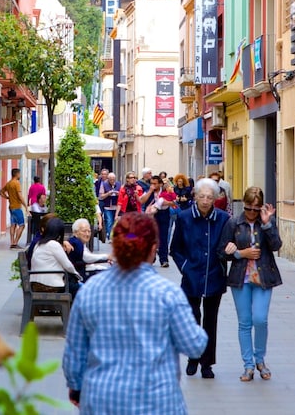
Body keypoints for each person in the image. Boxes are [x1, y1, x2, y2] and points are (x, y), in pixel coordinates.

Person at [63, 212, 208, 414]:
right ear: (152, 248)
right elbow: (195, 346)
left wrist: (77, 387)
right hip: (158, 403)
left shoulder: (90, 291)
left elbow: (74, 353)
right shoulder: (167, 294)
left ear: (116, 246)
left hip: (102, 401)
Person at [219, 187, 283, 382]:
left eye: (256, 209)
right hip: (241, 278)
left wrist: (266, 225)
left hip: (264, 278)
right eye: (249, 209)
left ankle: (260, 360)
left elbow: (276, 246)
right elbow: (221, 252)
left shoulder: (266, 222)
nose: (252, 213)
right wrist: (239, 253)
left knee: (260, 319)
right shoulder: (233, 223)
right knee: (245, 323)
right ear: (244, 205)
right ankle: (248, 365)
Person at [170, 177, 230, 379]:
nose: (205, 200)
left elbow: (228, 246)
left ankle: (207, 364)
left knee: (210, 322)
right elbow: (175, 249)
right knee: (193, 319)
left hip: (214, 275)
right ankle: (192, 358)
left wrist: (229, 253)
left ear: (215, 199)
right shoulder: (184, 218)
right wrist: (185, 267)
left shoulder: (223, 218)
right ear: (195, 196)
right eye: (202, 196)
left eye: (209, 197)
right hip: (192, 276)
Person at [30, 217, 83, 299]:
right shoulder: (53, 244)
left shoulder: (39, 244)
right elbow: (68, 265)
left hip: (36, 284)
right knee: (80, 288)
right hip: (49, 286)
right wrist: (78, 276)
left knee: (73, 283)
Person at [0, 167, 26, 249]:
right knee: (22, 225)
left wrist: (7, 197)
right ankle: (15, 242)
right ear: (16, 174)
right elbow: (20, 196)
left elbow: (0, 192)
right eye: (19, 173)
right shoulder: (16, 183)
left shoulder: (9, 183)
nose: (20, 175)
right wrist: (25, 206)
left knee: (13, 225)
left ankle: (12, 242)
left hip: (11, 207)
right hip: (17, 207)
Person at [97, 172, 121, 239]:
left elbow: (122, 195)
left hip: (116, 206)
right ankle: (109, 236)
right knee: (109, 221)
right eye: (110, 179)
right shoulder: (104, 184)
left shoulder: (119, 184)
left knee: (115, 222)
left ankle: (114, 235)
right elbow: (101, 196)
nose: (112, 181)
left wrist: (118, 194)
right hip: (108, 207)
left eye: (113, 179)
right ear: (108, 179)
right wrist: (108, 194)